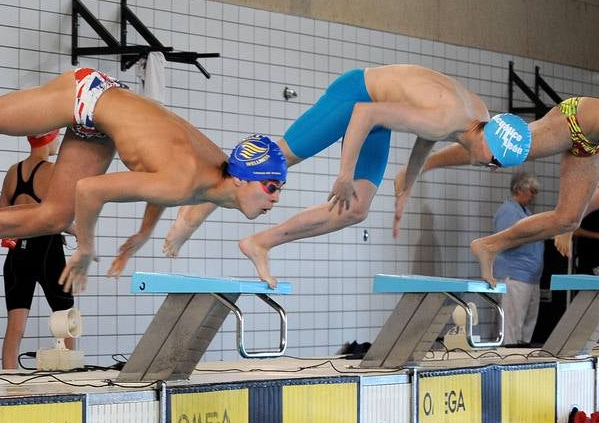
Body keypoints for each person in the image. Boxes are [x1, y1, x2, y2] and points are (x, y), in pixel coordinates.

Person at [0, 68, 288, 293]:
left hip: (104, 125)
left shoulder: (212, 173)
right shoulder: (186, 180)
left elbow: (167, 182)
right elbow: (90, 190)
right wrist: (87, 248)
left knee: (54, 216)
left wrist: (144, 231)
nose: (275, 198)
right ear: (246, 178)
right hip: (88, 94)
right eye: (272, 187)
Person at [153, 64, 531, 288]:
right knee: (276, 160)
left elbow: (427, 138)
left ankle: (260, 242)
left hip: (380, 113)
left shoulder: (477, 114)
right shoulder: (448, 117)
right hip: (356, 94)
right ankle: (198, 205)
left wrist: (406, 188)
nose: (488, 168)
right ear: (487, 139)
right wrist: (343, 174)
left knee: (356, 209)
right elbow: (365, 114)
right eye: (493, 161)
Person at [410, 97, 599, 286]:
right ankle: (423, 163)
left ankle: (489, 245)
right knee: (504, 150)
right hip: (576, 119)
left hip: (593, 144)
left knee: (566, 219)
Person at [0, 130, 75, 370]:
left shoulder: (13, 171)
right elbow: (59, 219)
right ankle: (69, 375)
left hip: (18, 251)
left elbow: (0, 214)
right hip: (47, 249)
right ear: (49, 139)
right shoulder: (53, 172)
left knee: (15, 325)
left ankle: (9, 382)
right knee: (65, 317)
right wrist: (81, 233)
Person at [492, 173, 543, 346]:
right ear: (519, 189)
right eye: (532, 191)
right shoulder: (508, 211)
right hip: (514, 276)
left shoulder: (525, 212)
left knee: (526, 327)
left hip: (530, 277)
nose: (534, 195)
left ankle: (522, 359)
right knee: (511, 328)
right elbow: (506, 241)